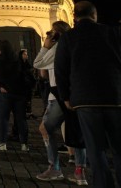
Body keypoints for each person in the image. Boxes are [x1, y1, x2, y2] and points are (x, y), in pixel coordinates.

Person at [55, 1, 121, 188]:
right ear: (95, 15)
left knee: (95, 149)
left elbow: (61, 70)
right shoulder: (113, 33)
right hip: (114, 97)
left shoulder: (68, 38)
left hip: (85, 100)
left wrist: (65, 97)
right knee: (119, 148)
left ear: (74, 17)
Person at [33, 20, 89, 183]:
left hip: (58, 94)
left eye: (51, 32)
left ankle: (54, 167)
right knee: (76, 131)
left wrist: (45, 46)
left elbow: (38, 64)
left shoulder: (58, 47)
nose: (49, 35)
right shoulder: (76, 45)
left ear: (57, 34)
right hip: (77, 93)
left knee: (46, 128)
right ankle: (80, 172)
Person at [0, 39, 30, 152]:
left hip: (6, 93)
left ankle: (3, 143)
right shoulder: (17, 59)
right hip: (19, 92)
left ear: (0, 50)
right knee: (21, 119)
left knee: (3, 119)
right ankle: (24, 144)